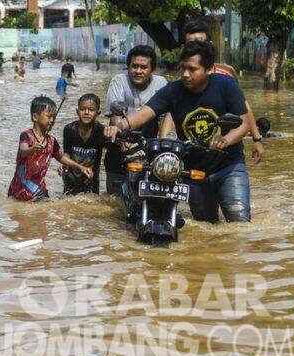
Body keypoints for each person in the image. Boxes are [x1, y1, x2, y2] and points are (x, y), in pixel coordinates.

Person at [114, 41, 251, 223]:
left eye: (192, 69)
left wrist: (226, 139)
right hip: (193, 171)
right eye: (183, 68)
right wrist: (120, 126)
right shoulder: (173, 91)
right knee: (206, 227)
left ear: (209, 69)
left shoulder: (227, 86)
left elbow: (244, 124)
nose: (185, 74)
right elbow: (146, 112)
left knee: (240, 224)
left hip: (229, 167)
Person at [162, 20, 265, 163]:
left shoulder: (227, 74)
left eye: (200, 42)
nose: (196, 47)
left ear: (209, 44)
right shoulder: (183, 78)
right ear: (184, 47)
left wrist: (256, 138)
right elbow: (172, 112)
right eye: (191, 44)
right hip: (193, 150)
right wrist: (164, 142)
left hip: (226, 151)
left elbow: (243, 107)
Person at [104, 45, 169, 195]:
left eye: (143, 67)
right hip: (120, 143)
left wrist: (164, 145)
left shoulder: (161, 83)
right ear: (128, 67)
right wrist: (123, 140)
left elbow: (165, 118)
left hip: (150, 147)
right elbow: (116, 117)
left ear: (152, 69)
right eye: (134, 66)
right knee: (113, 201)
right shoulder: (119, 81)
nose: (138, 71)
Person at [8, 96, 93, 202]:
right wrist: (32, 149)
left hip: (39, 191)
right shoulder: (26, 136)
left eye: (53, 117)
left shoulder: (52, 141)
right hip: (20, 190)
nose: (52, 120)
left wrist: (81, 167)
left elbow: (61, 157)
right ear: (35, 117)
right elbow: (23, 151)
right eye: (49, 117)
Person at [60, 94, 118, 195]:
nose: (86, 112)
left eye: (91, 110)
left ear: (98, 113)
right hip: (71, 177)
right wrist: (64, 165)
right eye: (83, 109)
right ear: (77, 112)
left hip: (91, 180)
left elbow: (113, 152)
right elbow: (67, 153)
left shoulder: (101, 131)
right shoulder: (69, 129)